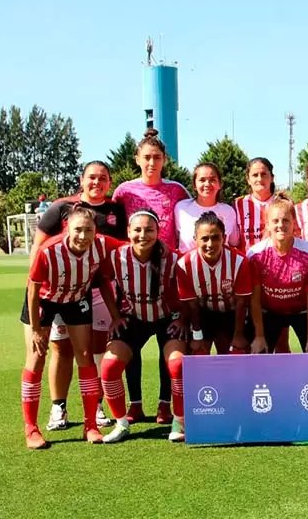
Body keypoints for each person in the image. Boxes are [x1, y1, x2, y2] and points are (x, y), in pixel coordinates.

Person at [30, 161, 127, 431]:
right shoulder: (62, 207)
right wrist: (39, 290)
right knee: (61, 349)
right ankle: (58, 407)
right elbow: (38, 252)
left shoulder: (115, 210)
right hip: (60, 292)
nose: (97, 182)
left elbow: (123, 247)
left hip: (97, 290)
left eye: (103, 178)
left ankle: (94, 406)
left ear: (110, 182)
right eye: (92, 177)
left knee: (94, 348)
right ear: (82, 180)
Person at [19, 205, 123, 449]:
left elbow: (132, 245)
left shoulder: (101, 244)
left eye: (89, 230)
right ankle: (31, 428)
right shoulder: (49, 250)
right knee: (36, 357)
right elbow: (33, 290)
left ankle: (91, 425)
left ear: (96, 231)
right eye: (78, 230)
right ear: (67, 229)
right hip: (44, 300)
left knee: (85, 356)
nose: (83, 236)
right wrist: (36, 329)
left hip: (76, 299)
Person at [110, 129, 190, 425]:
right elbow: (117, 229)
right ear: (137, 160)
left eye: (157, 157)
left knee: (168, 341)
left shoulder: (177, 191)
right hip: (132, 277)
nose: (152, 163)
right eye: (146, 157)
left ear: (165, 160)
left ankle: (165, 403)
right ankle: (135, 403)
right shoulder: (124, 191)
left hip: (167, 275)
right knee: (131, 342)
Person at [99, 209, 188, 443]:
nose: (143, 235)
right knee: (108, 368)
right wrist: (115, 315)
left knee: (177, 365)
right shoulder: (116, 256)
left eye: (149, 230)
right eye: (137, 230)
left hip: (167, 318)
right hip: (134, 318)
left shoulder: (173, 258)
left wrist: (182, 319)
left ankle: (179, 421)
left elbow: (190, 289)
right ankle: (121, 424)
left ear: (158, 232)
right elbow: (102, 280)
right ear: (128, 232)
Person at [247, 200, 308, 353]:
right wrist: (259, 336)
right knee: (257, 353)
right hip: (269, 312)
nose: (281, 225)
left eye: (286, 220)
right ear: (267, 224)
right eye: (275, 221)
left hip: (301, 312)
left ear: (294, 223)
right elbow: (254, 300)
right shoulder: (255, 254)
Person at [177, 212, 253, 356]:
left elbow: (241, 303)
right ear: (195, 239)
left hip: (231, 313)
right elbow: (192, 305)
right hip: (203, 314)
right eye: (204, 239)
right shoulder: (184, 265)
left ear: (224, 238)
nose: (210, 244)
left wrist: (238, 335)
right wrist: (197, 336)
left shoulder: (239, 261)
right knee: (197, 353)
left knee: (234, 354)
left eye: (215, 237)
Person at [174, 163, 240, 253]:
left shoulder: (228, 211)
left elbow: (234, 242)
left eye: (212, 180)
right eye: (202, 180)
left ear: (220, 184)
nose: (207, 184)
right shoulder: (181, 208)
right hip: (187, 265)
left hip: (220, 266)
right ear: (194, 185)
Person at [234, 157, 278, 251]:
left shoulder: (283, 203)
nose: (259, 178)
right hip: (248, 263)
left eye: (263, 174)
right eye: (255, 175)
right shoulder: (238, 205)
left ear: (272, 178)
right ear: (248, 180)